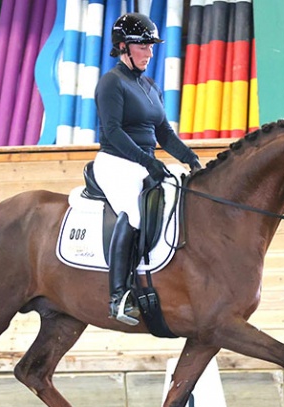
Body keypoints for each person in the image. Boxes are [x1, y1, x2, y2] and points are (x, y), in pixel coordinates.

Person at [94, 12, 202, 326]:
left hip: (144, 162)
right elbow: (113, 131)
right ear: (124, 47)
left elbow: (164, 133)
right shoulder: (110, 83)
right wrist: (149, 162)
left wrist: (190, 158)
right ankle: (118, 296)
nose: (150, 53)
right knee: (135, 211)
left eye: (151, 47)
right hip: (116, 162)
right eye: (143, 46)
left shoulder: (149, 85)